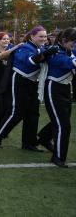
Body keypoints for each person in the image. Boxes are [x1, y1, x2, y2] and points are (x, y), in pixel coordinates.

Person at [0, 26, 59, 150]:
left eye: (45, 36)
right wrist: (45, 53)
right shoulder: (24, 47)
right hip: (19, 81)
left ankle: (29, 143)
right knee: (17, 112)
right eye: (41, 36)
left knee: (33, 113)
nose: (44, 39)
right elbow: (30, 61)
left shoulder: (41, 48)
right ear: (32, 36)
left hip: (33, 83)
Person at [36, 28, 76, 167]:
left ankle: (43, 138)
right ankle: (58, 157)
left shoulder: (68, 50)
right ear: (64, 40)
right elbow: (69, 63)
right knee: (63, 125)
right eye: (73, 42)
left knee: (59, 120)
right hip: (54, 89)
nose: (75, 45)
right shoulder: (54, 51)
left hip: (65, 88)